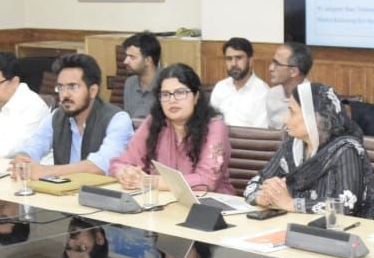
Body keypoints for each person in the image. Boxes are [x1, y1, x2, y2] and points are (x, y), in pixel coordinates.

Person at [245, 81, 374, 219]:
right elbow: (255, 183)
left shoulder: (345, 150)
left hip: (341, 231)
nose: (285, 119)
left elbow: (345, 205)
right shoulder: (292, 145)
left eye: (292, 112)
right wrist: (262, 197)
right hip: (295, 224)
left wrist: (291, 204)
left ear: (315, 117)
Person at [109, 62, 234, 195]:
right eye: (165, 94)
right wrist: (126, 173)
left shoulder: (214, 127)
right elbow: (121, 162)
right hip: (163, 202)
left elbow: (207, 181)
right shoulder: (154, 122)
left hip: (209, 203)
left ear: (196, 97)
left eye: (180, 93)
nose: (172, 100)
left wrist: (151, 182)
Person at [9, 52, 133, 179]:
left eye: (73, 87)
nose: (65, 94)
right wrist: (23, 159)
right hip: (62, 190)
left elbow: (102, 165)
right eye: (60, 87)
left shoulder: (117, 119)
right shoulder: (57, 116)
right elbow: (35, 145)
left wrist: (46, 171)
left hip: (102, 191)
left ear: (93, 91)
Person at [208, 37, 270, 128]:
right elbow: (211, 122)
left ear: (250, 61)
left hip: (249, 137)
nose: (233, 64)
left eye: (239, 58)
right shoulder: (220, 87)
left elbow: (261, 132)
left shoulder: (263, 92)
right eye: (229, 59)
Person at [263, 41, 311, 129]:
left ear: (294, 72)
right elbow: (271, 132)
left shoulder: (313, 99)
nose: (270, 68)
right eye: (272, 62)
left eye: (277, 64)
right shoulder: (272, 94)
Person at [120, 31, 162, 120]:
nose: (125, 61)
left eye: (132, 57)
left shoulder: (166, 83)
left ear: (147, 60)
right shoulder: (130, 83)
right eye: (126, 56)